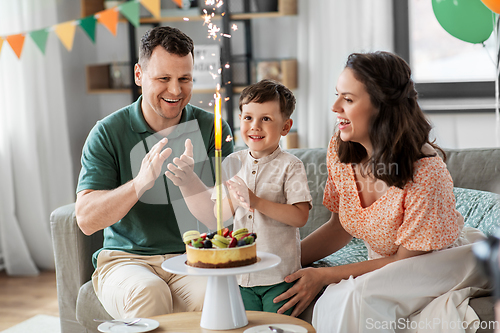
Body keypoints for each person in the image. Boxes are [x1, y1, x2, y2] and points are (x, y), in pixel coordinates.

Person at [272, 51, 490, 332]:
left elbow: (404, 263)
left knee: (352, 297)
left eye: (348, 99)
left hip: (434, 265)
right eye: (338, 95)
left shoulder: (426, 173)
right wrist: (280, 260)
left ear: (382, 107)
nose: (335, 106)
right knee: (349, 297)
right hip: (388, 268)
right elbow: (338, 228)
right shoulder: (340, 151)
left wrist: (324, 275)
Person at [75, 26, 233, 319]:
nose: (175, 90)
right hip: (126, 261)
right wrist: (140, 183)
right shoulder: (107, 132)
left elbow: (224, 219)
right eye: (163, 78)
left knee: (217, 298)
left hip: (194, 257)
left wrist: (191, 183)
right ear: (138, 75)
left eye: (184, 79)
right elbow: (86, 219)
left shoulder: (214, 129)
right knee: (150, 292)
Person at [171, 79, 313, 315]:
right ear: (240, 120)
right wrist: (235, 201)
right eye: (248, 118)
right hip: (238, 276)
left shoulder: (291, 166)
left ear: (285, 127)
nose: (255, 126)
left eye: (266, 119)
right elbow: (219, 214)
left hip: (278, 276)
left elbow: (300, 217)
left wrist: (256, 202)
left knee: (274, 328)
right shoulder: (231, 162)